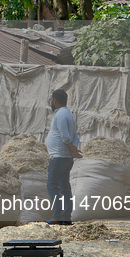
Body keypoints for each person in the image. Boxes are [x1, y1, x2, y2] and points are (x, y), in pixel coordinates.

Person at [45, 89, 81, 225]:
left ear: (54, 100)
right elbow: (75, 136)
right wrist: (74, 150)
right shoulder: (69, 114)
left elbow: (65, 137)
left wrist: (73, 151)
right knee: (64, 186)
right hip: (65, 157)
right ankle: (66, 217)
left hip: (59, 157)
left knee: (52, 185)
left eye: (52, 99)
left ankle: (58, 216)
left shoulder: (60, 115)